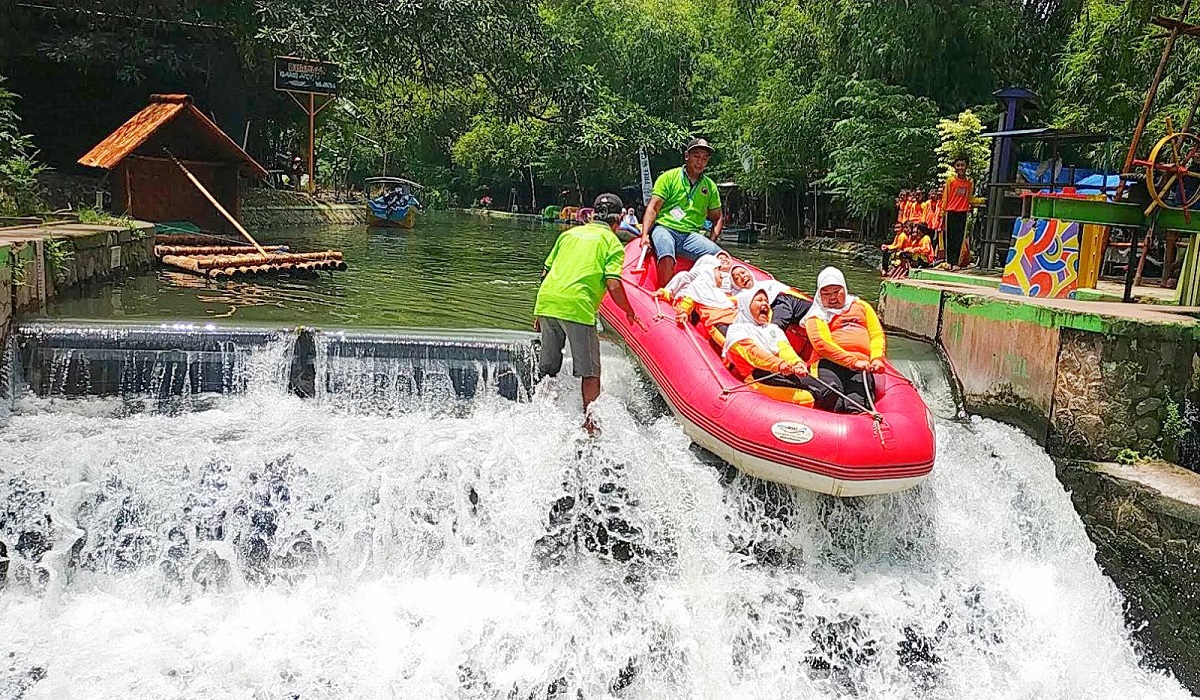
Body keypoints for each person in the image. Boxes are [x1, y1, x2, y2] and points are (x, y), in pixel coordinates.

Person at [534, 193, 645, 430]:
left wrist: (538, 313)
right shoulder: (612, 243)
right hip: (578, 307)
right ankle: (591, 426)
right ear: (619, 221)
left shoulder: (568, 234)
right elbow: (613, 284)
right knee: (591, 372)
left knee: (548, 370)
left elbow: (545, 273)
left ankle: (541, 416)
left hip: (547, 302)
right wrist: (629, 312)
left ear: (592, 215)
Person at [640, 138, 725, 287]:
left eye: (704, 159)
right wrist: (645, 235)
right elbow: (653, 208)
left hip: (691, 235)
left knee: (719, 257)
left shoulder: (710, 186)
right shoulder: (669, 177)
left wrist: (711, 240)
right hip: (665, 228)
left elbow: (717, 218)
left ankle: (714, 295)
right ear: (687, 156)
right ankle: (665, 293)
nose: (700, 162)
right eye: (696, 157)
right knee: (666, 255)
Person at [802, 267, 886, 413]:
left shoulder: (861, 306)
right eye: (826, 293)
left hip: (863, 366)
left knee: (858, 404)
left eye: (836, 291)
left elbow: (876, 334)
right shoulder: (815, 315)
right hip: (828, 363)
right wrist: (853, 362)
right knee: (831, 395)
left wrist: (877, 358)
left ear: (845, 289)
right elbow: (822, 345)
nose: (832, 297)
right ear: (819, 295)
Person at [722, 284, 817, 406]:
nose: (765, 304)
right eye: (759, 300)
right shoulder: (736, 331)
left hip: (776, 371)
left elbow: (784, 348)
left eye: (766, 301)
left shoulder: (772, 328)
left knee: (820, 390)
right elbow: (754, 354)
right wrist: (779, 364)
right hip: (755, 377)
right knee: (806, 398)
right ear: (746, 305)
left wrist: (797, 363)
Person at [941, 158, 974, 269]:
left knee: (959, 238)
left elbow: (969, 197)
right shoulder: (951, 181)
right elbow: (945, 197)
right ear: (955, 167)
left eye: (962, 165)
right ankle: (949, 261)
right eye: (958, 165)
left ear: (966, 167)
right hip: (951, 211)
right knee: (950, 237)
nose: (960, 168)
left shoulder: (969, 182)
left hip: (963, 212)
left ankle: (956, 263)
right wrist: (943, 212)